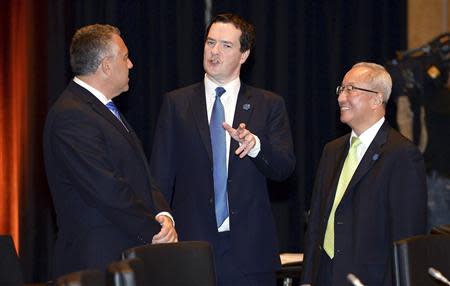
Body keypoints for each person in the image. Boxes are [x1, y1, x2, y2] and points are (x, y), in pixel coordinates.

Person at [150, 13, 295, 286]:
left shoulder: (268, 105)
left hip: (251, 253)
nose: (214, 51)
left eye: (226, 45)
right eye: (210, 42)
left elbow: (284, 168)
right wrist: (163, 217)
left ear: (244, 55)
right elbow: (160, 174)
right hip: (191, 249)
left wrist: (255, 147)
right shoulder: (177, 104)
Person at [43, 24, 177, 278]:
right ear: (106, 65)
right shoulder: (71, 115)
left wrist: (163, 214)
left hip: (123, 259)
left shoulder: (103, 109)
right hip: (95, 263)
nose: (131, 65)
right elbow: (106, 188)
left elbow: (141, 174)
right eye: (125, 57)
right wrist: (154, 231)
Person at [301, 62, 427, 286]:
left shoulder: (402, 155)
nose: (341, 98)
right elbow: (317, 224)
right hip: (325, 276)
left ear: (377, 99)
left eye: (351, 89)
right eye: (341, 89)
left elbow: (406, 238)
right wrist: (308, 279)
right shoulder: (332, 150)